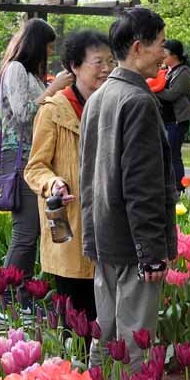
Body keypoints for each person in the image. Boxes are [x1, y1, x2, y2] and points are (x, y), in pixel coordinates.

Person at [80, 8, 176, 373]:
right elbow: (143, 185)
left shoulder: (99, 98)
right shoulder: (137, 102)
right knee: (135, 342)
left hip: (105, 238)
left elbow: (89, 175)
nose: (164, 55)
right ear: (139, 47)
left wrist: (91, 238)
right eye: (160, 45)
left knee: (105, 336)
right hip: (134, 245)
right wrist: (151, 252)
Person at [24, 29, 113, 326]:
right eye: (98, 62)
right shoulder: (53, 110)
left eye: (110, 62)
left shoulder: (112, 106)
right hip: (70, 222)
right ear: (75, 67)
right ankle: (74, 370)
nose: (106, 69)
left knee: (106, 317)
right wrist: (54, 183)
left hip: (107, 224)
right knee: (77, 316)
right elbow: (35, 167)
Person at [0, 18, 71, 304]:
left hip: (33, 157)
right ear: (36, 45)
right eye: (49, 48)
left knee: (35, 231)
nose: (50, 54)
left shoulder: (29, 73)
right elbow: (24, 113)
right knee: (26, 232)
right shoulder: (15, 69)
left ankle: (20, 295)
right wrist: (54, 88)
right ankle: (9, 298)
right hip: (20, 159)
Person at [154, 39, 190, 193]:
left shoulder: (183, 71)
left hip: (177, 121)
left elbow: (173, 94)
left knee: (174, 154)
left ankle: (179, 187)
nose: (162, 55)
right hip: (167, 120)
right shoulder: (168, 70)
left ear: (174, 55)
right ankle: (170, 185)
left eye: (165, 52)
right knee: (167, 154)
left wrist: (152, 89)